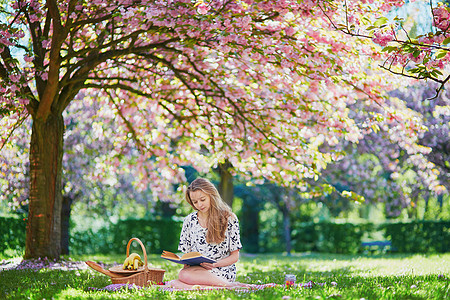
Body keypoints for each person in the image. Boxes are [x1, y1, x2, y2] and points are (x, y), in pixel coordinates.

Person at [167, 177, 247, 290]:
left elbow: (235, 256)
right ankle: (225, 288)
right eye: (195, 202)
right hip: (198, 271)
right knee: (179, 278)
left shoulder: (229, 218)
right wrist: (187, 264)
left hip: (221, 270)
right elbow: (187, 255)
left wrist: (215, 264)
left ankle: (228, 285)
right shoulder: (189, 221)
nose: (199, 204)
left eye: (202, 199)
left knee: (180, 280)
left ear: (211, 195)